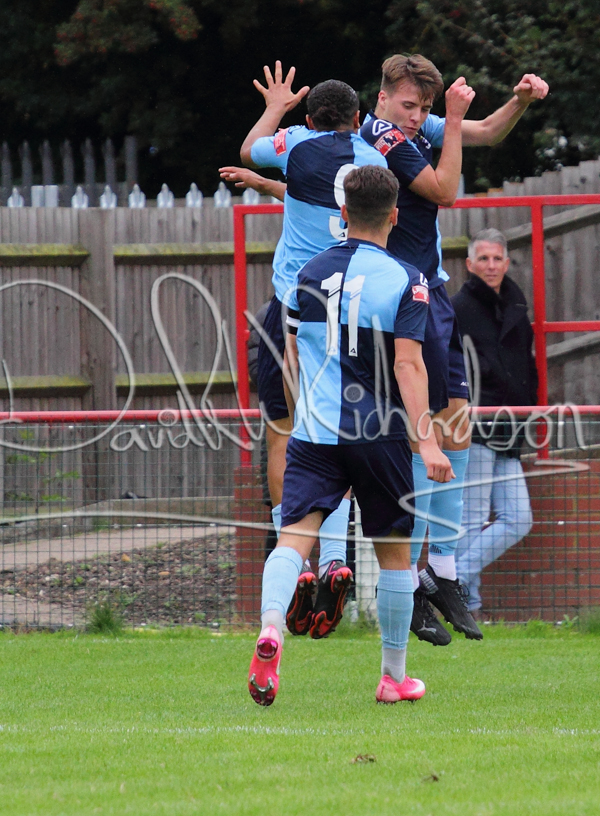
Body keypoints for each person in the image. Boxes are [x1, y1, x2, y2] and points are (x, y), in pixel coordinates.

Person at [247, 165, 452, 706]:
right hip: (379, 435)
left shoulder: (306, 274)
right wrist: (427, 440)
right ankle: (393, 678)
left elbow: (291, 360)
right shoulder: (407, 279)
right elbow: (408, 366)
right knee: (395, 556)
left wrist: (302, 419)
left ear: (342, 214)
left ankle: (270, 628)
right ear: (394, 216)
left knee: (293, 539)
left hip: (314, 434)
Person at [361, 54, 546, 646]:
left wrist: (519, 101)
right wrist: (454, 116)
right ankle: (406, 580)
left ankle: (440, 569)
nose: (418, 117)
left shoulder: (418, 127)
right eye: (409, 106)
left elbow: (485, 132)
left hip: (429, 289)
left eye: (424, 108)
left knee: (456, 425)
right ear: (383, 98)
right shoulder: (383, 136)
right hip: (395, 293)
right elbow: (444, 192)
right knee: (417, 436)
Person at [221, 64, 389, 639]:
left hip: (294, 307)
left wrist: (276, 107)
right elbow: (316, 200)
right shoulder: (374, 157)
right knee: (338, 433)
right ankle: (337, 555)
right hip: (355, 310)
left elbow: (252, 146)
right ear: (358, 119)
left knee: (282, 432)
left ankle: (291, 555)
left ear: (311, 119)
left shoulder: (295, 143)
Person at [451, 229, 536, 617]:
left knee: (519, 519)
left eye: (497, 258)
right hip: (475, 422)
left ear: (506, 262)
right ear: (470, 264)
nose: (490, 265)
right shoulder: (457, 308)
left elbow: (524, 365)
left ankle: (450, 581)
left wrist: (528, 406)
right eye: (483, 259)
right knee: (470, 519)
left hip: (510, 425)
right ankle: (467, 606)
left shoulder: (516, 306)